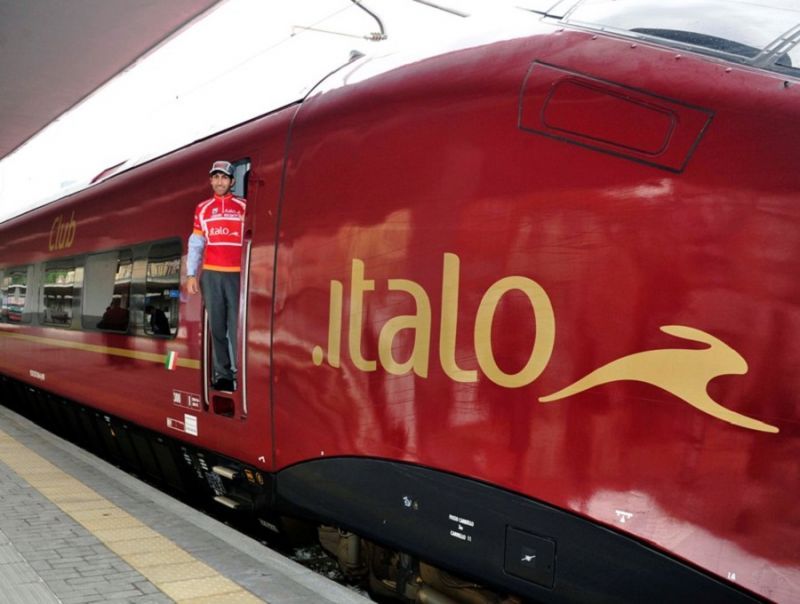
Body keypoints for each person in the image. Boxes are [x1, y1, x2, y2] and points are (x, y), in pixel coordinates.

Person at [185, 160, 246, 392]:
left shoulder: (244, 206)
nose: (220, 181)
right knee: (217, 328)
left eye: (224, 177)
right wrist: (191, 274)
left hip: (237, 275)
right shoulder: (202, 208)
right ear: (211, 181)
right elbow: (196, 243)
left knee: (237, 327)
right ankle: (223, 375)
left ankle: (241, 373)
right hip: (211, 274)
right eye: (216, 177)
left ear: (232, 181)